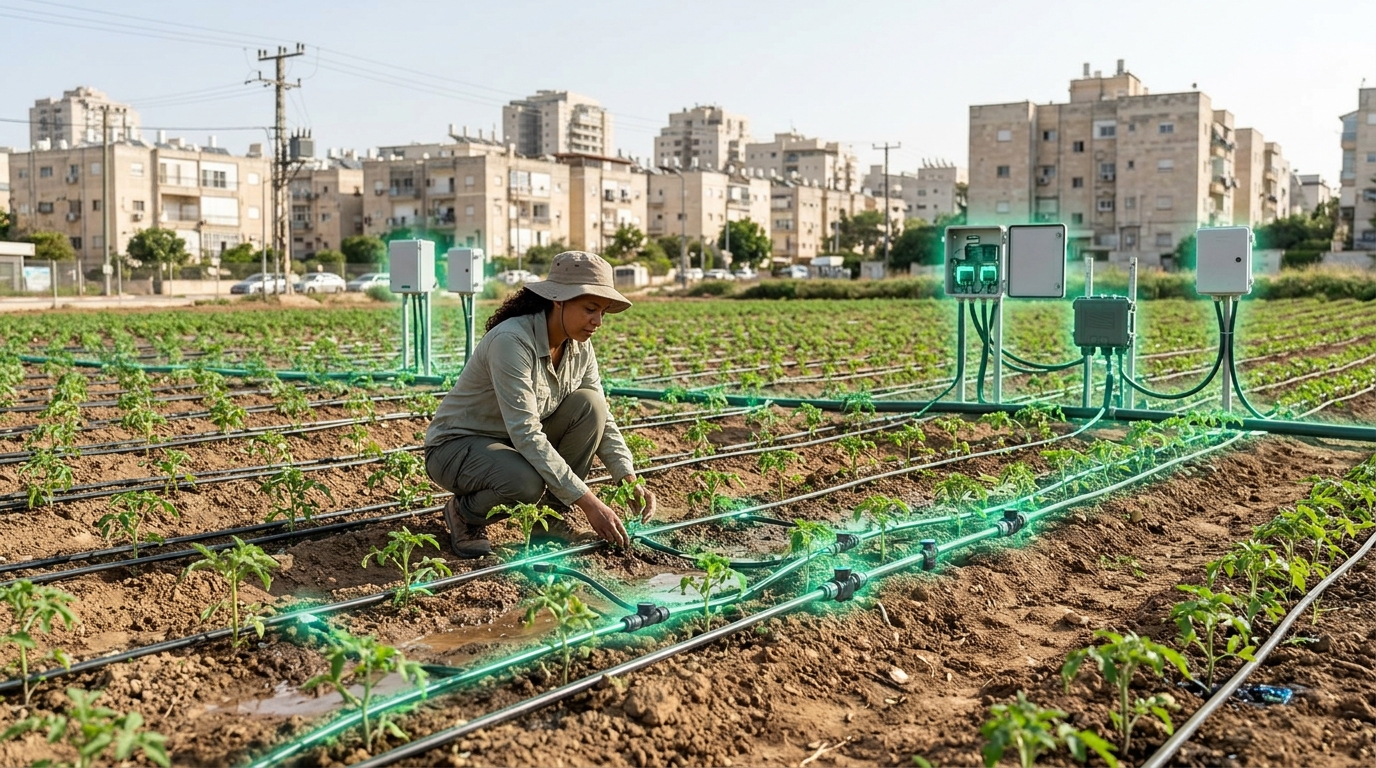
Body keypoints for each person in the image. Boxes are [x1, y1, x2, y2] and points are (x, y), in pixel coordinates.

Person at [424, 251, 656, 557]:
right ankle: (464, 514)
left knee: (591, 405)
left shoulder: (579, 347)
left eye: (602, 312)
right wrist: (587, 502)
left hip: (510, 444)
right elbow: (526, 432)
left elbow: (604, 420)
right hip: (458, 446)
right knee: (525, 483)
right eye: (590, 309)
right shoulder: (511, 341)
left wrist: (627, 479)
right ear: (558, 300)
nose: (597, 321)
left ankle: (549, 521)